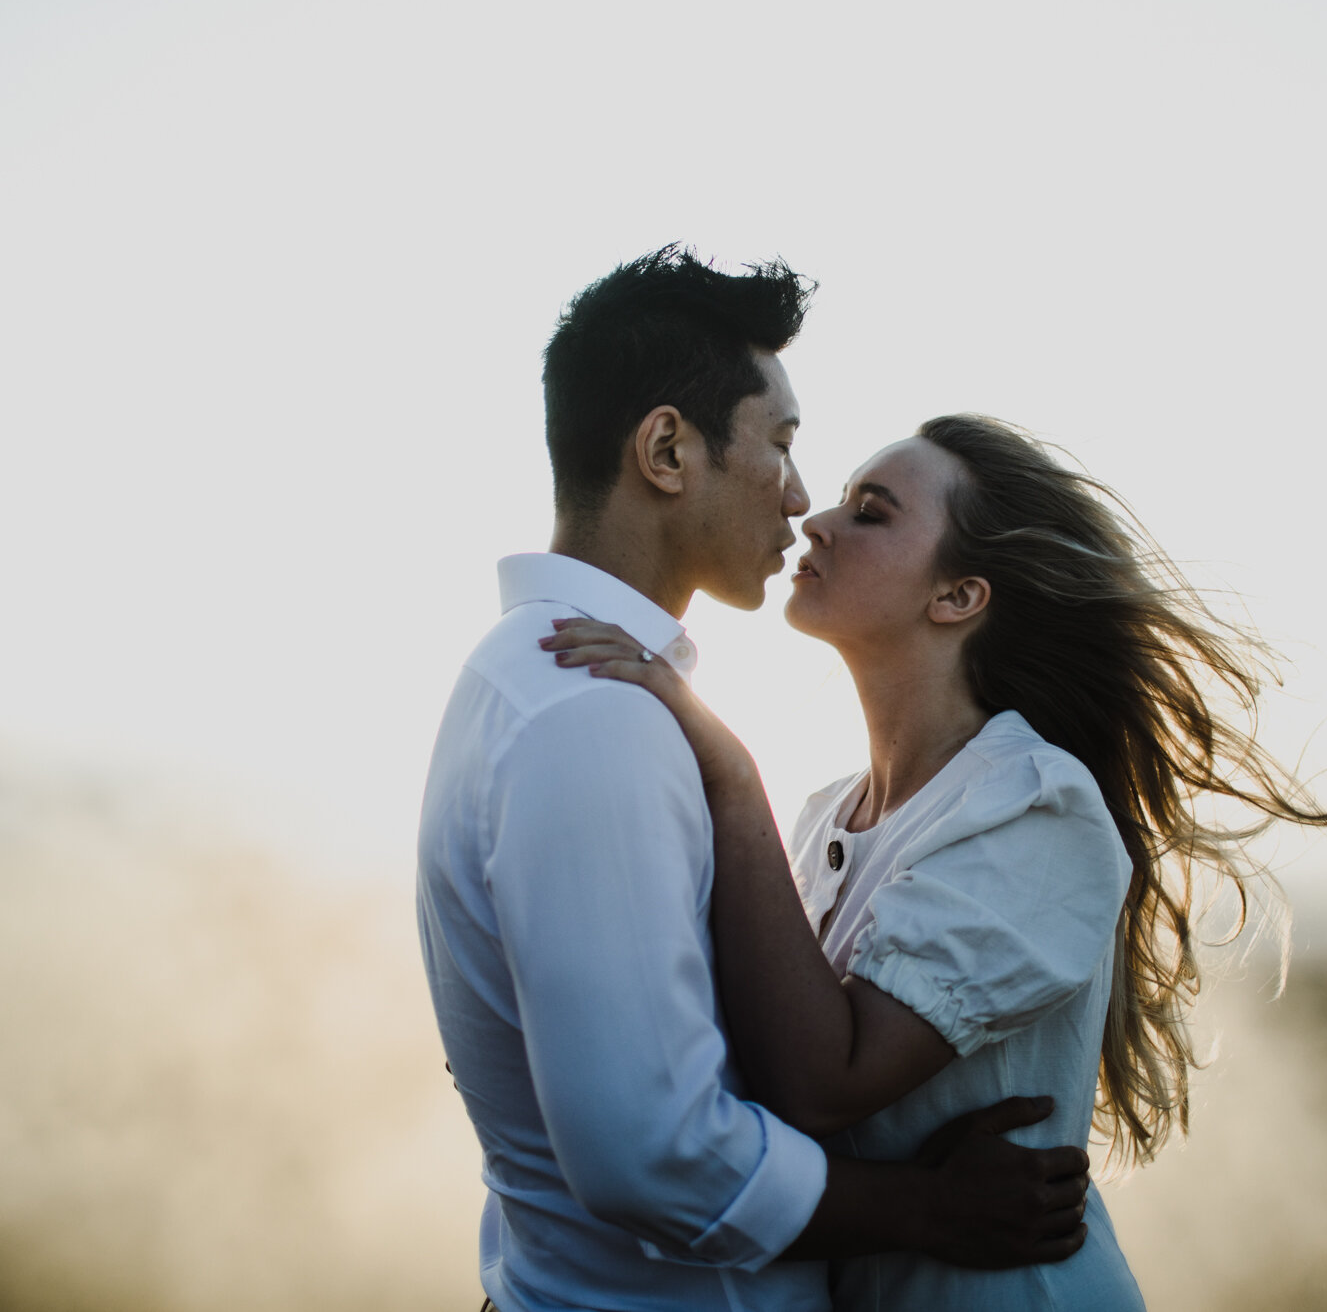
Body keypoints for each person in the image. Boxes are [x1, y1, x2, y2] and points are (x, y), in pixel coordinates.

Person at [543, 413, 1327, 1308]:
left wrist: (731, 777)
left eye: (870, 511)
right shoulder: (826, 813)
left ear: (958, 597)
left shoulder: (1035, 803)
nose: (816, 520)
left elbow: (824, 1081)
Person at [415, 249, 1094, 1312]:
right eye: (778, 443)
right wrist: (924, 1209)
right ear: (666, 450)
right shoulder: (597, 713)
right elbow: (654, 1152)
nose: (800, 496)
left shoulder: (548, 685)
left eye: (866, 507)